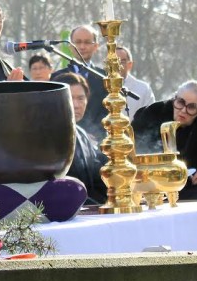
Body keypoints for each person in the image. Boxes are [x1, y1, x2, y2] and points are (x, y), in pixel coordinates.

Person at [132, 80, 197, 200]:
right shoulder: (152, 114)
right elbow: (133, 147)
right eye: (180, 102)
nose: (183, 110)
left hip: (190, 186)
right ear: (174, 99)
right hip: (152, 185)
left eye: (191, 107)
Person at [56, 73, 108, 204]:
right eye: (70, 98)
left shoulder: (82, 135)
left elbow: (97, 182)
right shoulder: (47, 136)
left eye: (80, 98)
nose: (76, 105)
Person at [52, 25, 107, 143]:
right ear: (70, 45)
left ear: (96, 46)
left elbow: (107, 113)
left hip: (98, 142)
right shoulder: (57, 78)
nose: (82, 47)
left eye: (87, 42)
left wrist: (94, 135)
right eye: (78, 42)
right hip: (65, 140)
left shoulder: (105, 78)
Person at [116, 46, 155, 120]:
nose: (117, 65)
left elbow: (151, 117)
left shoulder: (143, 89)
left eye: (122, 62)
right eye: (113, 61)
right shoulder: (99, 86)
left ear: (130, 65)